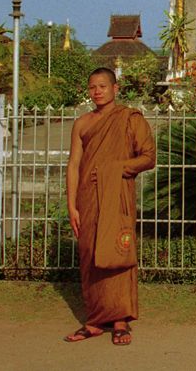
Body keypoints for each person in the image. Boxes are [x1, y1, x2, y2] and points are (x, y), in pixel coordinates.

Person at [63, 67, 155, 346]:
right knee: (90, 254)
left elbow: (148, 157)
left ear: (115, 89)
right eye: (92, 87)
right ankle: (94, 320)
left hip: (117, 196)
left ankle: (120, 320)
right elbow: (74, 165)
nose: (97, 91)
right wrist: (71, 204)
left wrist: (116, 168)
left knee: (118, 252)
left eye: (103, 86)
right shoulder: (82, 124)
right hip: (88, 198)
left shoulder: (129, 118)